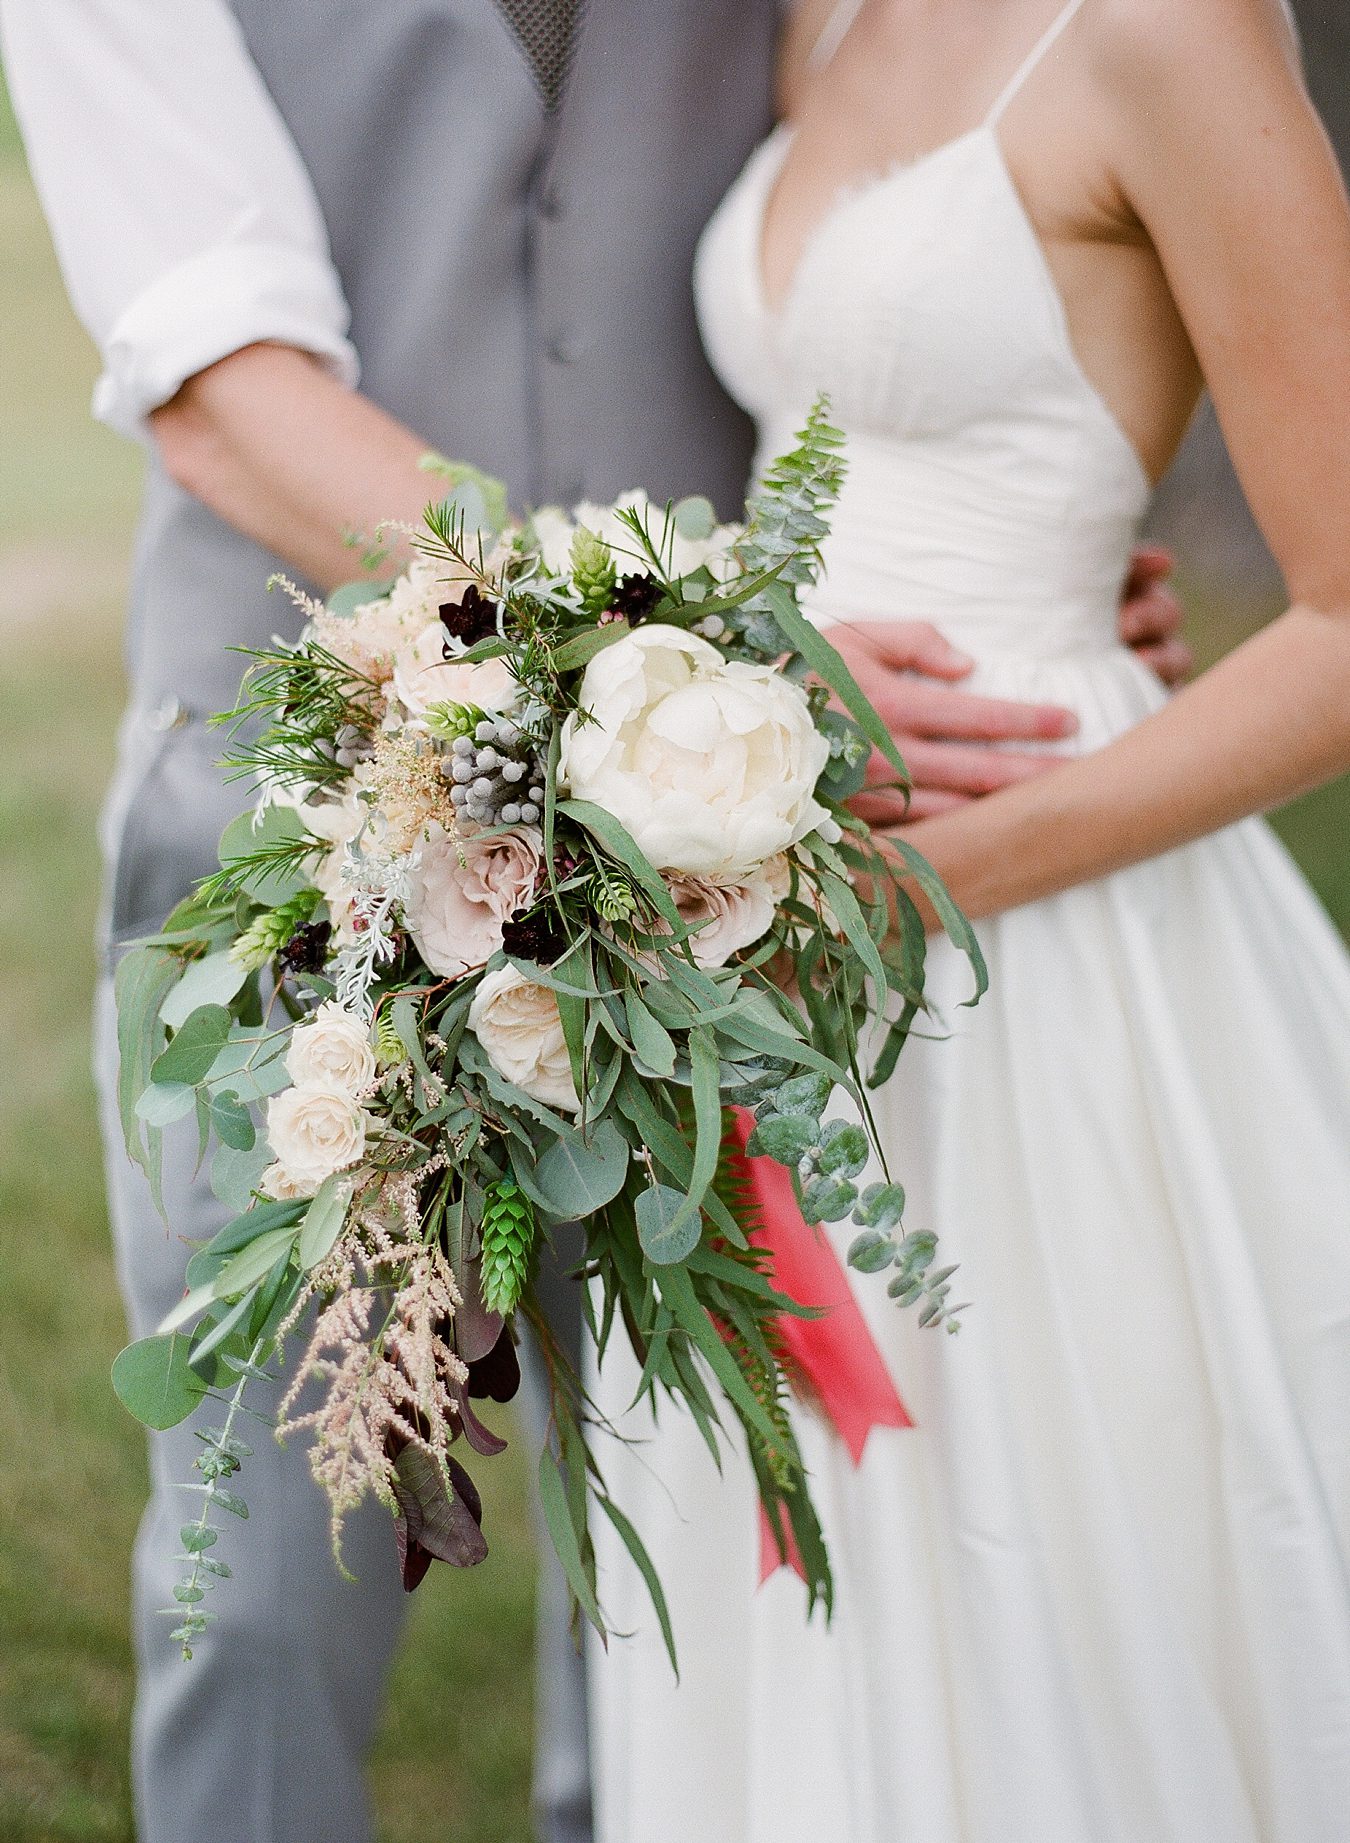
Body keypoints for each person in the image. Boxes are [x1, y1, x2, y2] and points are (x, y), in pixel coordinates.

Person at [0, 1, 1188, 1839]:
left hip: (736, 861)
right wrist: (678, 653)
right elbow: (224, 389)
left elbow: (906, 174)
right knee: (258, 1601)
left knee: (682, 1600)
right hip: (322, 848)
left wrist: (1003, 543)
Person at [587, 2, 1350, 1840]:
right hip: (741, 893)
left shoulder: (1170, 34)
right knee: (780, 1566)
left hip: (1041, 909)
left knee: (1068, 1527)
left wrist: (923, 881)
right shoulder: (823, 19)